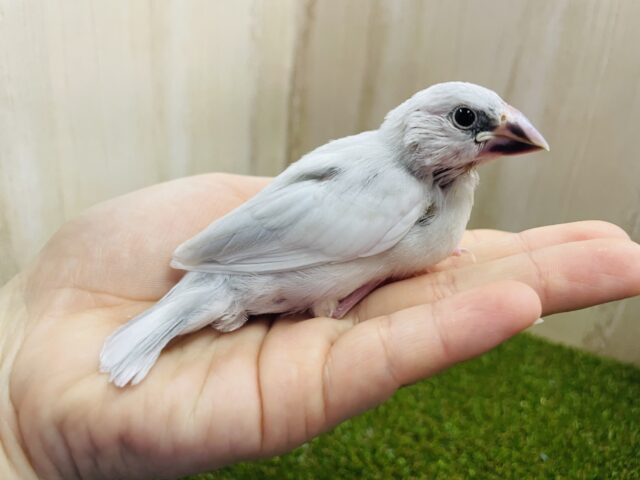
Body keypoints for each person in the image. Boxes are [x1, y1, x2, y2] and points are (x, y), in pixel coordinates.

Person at [1, 173, 638, 479]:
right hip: (254, 275)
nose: (501, 137)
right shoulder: (396, 191)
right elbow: (306, 261)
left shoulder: (424, 196)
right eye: (468, 122)